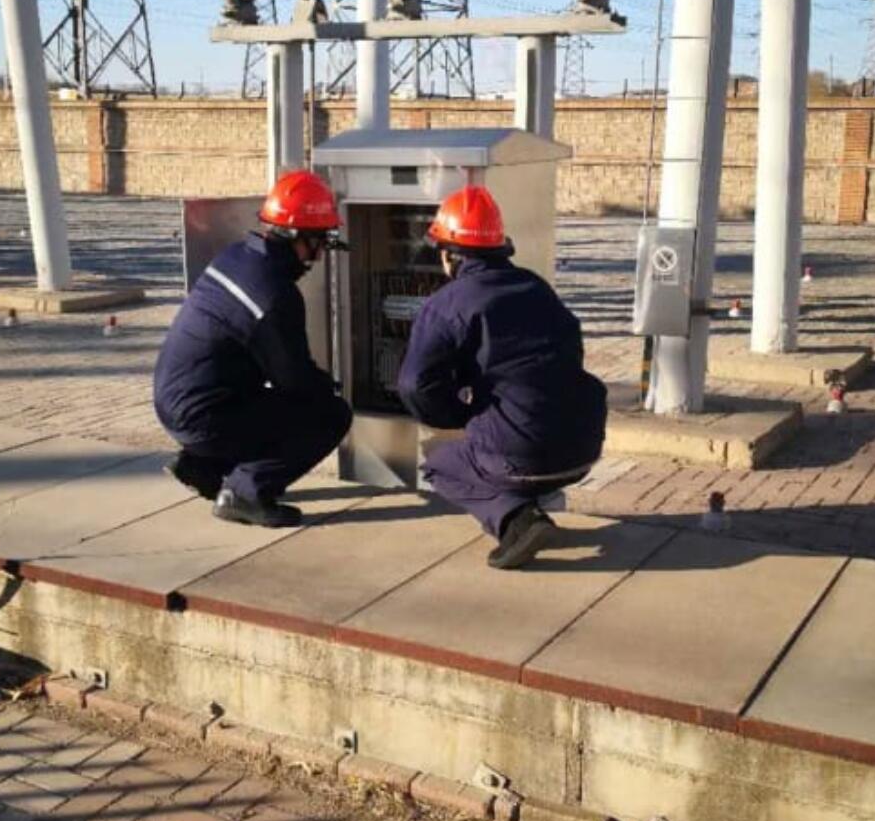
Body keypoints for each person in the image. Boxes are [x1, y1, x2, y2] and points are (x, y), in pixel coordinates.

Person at [396, 186, 607, 570]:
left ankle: (517, 520)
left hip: (524, 455)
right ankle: (525, 494)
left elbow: (415, 385)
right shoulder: (536, 287)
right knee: (514, 430)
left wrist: (456, 417)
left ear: (449, 255)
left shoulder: (447, 304)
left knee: (439, 463)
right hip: (584, 448)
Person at [153, 170, 352, 528]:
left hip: (173, 399)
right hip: (202, 415)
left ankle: (203, 467)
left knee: (269, 399)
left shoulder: (237, 257)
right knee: (330, 414)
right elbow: (293, 380)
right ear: (296, 236)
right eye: (319, 241)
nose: (320, 255)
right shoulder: (274, 294)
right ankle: (245, 492)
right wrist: (330, 386)